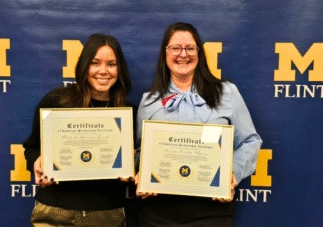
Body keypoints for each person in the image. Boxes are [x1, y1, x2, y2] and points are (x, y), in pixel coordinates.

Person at [135, 22, 262, 226]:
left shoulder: (226, 93)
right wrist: (141, 171)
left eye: (190, 48)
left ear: (199, 52)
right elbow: (141, 151)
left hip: (212, 209)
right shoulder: (149, 102)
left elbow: (250, 141)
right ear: (165, 53)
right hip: (158, 211)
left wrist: (233, 173)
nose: (183, 54)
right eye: (176, 48)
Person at [23, 33, 136, 227]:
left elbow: (135, 163)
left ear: (120, 69)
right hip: (54, 211)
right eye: (95, 63)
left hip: (106, 214)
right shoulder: (56, 101)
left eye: (111, 64)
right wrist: (37, 162)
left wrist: (133, 165)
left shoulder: (128, 112)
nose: (103, 71)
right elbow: (31, 148)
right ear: (84, 66)